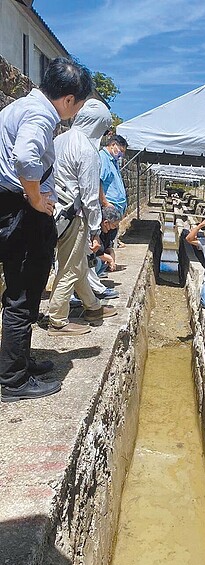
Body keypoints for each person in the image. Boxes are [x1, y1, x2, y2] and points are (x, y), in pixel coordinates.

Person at [0, 56, 93, 402]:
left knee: (23, 291)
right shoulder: (40, 116)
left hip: (13, 207)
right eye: (78, 104)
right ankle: (13, 380)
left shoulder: (22, 108)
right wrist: (36, 198)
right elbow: (26, 159)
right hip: (20, 212)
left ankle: (19, 362)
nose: (75, 111)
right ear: (69, 99)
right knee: (23, 295)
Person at [48, 99, 118, 336]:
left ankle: (93, 308)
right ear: (98, 126)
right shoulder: (87, 149)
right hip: (73, 216)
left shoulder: (59, 139)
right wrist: (95, 230)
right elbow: (89, 196)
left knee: (76, 264)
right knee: (69, 268)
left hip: (54, 212)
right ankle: (57, 319)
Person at [100, 134, 128, 216]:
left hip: (115, 210)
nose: (121, 154)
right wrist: (105, 203)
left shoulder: (113, 161)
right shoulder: (103, 157)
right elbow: (98, 182)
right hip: (109, 209)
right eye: (121, 151)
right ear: (113, 145)